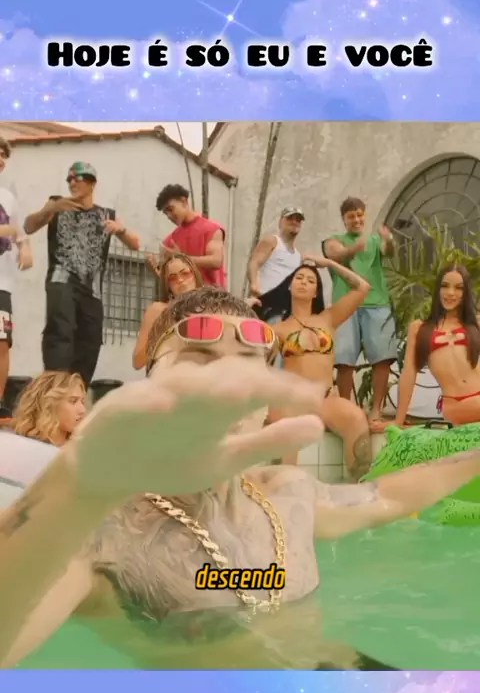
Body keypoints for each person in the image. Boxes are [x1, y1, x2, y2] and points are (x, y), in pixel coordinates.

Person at [1, 287, 479, 672]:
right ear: (151, 386)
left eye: (245, 366)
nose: (224, 389)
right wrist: (75, 490)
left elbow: (386, 495)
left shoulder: (288, 493)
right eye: (199, 362)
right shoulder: (102, 534)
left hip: (345, 689)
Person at [24, 162, 140, 387]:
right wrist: (50, 209)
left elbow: (135, 244)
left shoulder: (106, 214)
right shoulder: (57, 204)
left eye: (78, 178)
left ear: (92, 183)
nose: (72, 183)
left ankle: (77, 391)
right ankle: (55, 390)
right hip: (62, 280)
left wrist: (121, 230)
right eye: (69, 179)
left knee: (91, 340)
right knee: (61, 332)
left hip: (91, 289)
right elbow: (29, 226)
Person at [264, 259, 372, 478]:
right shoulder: (278, 329)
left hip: (326, 399)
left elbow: (362, 287)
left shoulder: (328, 318)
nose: (304, 282)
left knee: (356, 418)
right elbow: (261, 364)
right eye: (299, 278)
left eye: (311, 280)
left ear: (316, 292)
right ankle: (281, 491)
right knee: (283, 430)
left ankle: (359, 489)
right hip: (294, 401)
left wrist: (328, 263)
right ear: (290, 285)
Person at [323, 197, 397, 431]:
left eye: (359, 215)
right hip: (346, 304)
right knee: (344, 360)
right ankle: (347, 410)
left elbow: (389, 251)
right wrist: (354, 248)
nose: (356, 220)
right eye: (351, 216)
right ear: (343, 219)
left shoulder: (374, 240)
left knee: (382, 358)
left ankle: (376, 410)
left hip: (377, 303)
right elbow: (335, 254)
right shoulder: (334, 239)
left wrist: (388, 239)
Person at [394, 265, 480, 427]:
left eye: (459, 288)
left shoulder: (475, 323)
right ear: (438, 290)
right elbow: (408, 374)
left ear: (466, 293)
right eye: (445, 286)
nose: (451, 293)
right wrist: (398, 420)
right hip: (455, 405)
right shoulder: (419, 328)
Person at [0, 137, 33, 411]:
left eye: (3, 155)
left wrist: (25, 247)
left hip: (2, 283)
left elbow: (18, 230)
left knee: (2, 343)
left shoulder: (7, 198)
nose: (1, 160)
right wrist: (7, 231)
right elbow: (9, 229)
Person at [133, 254, 204, 370]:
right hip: (165, 373)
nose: (180, 280)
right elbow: (138, 361)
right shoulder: (158, 310)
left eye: (185, 273)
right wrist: (165, 331)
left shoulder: (209, 309)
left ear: (195, 276)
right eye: (172, 278)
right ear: (168, 287)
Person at [154, 184, 226, 287]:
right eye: (166, 213)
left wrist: (181, 258)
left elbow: (216, 261)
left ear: (184, 201)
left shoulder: (212, 228)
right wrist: (155, 268)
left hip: (210, 295)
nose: (169, 216)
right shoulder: (170, 240)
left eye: (170, 209)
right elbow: (167, 278)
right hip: (184, 296)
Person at [12, 371, 86, 445]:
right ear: (48, 404)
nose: (82, 410)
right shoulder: (26, 445)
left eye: (82, 402)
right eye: (73, 401)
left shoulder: (79, 446)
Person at [247, 208, 304, 300]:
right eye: (290, 218)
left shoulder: (298, 256)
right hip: (265, 298)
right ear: (280, 222)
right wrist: (254, 284)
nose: (294, 222)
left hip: (284, 303)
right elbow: (254, 262)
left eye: (298, 220)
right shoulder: (272, 241)